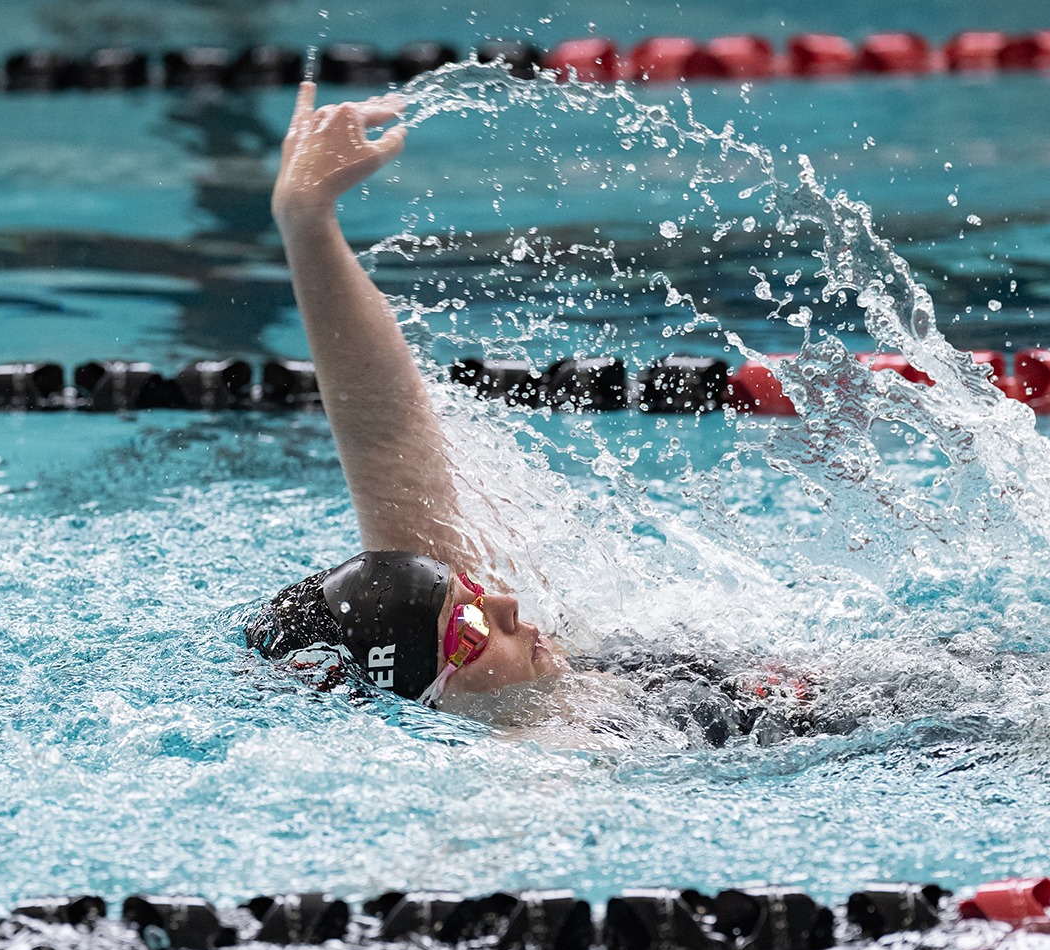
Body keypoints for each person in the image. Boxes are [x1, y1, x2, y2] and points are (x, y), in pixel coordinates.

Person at [246, 83, 825, 742]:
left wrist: (306, 221)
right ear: (423, 691)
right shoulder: (544, 750)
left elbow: (387, 429)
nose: (507, 606)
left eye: (467, 590)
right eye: (467, 627)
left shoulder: (506, 673)